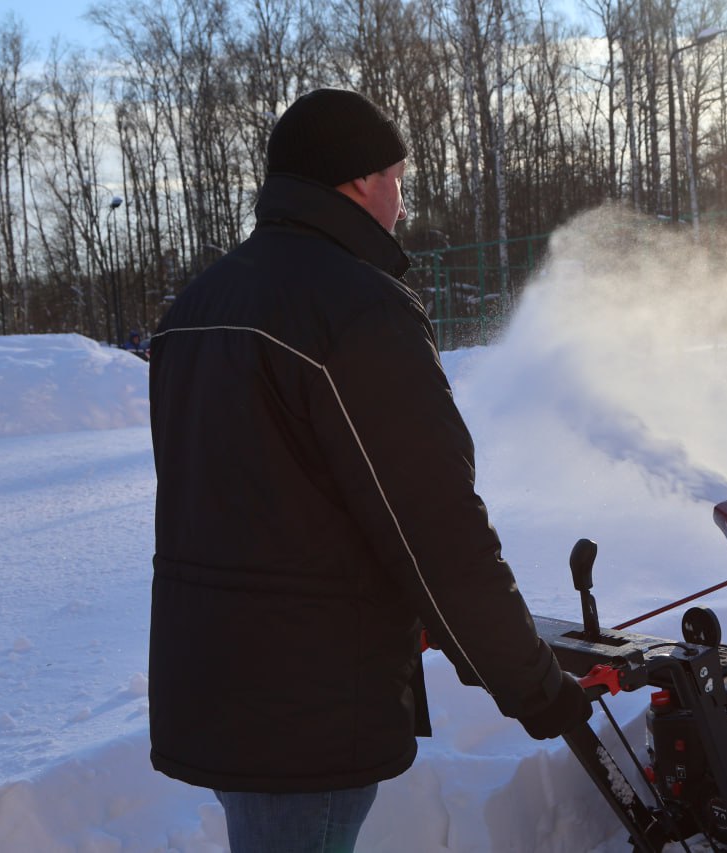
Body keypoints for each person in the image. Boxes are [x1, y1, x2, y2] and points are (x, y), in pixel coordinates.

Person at [147, 88, 589, 852]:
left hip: (216, 680)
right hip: (306, 703)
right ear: (357, 180)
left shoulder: (194, 306)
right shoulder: (356, 309)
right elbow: (434, 529)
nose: (403, 201)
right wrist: (533, 684)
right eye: (397, 177)